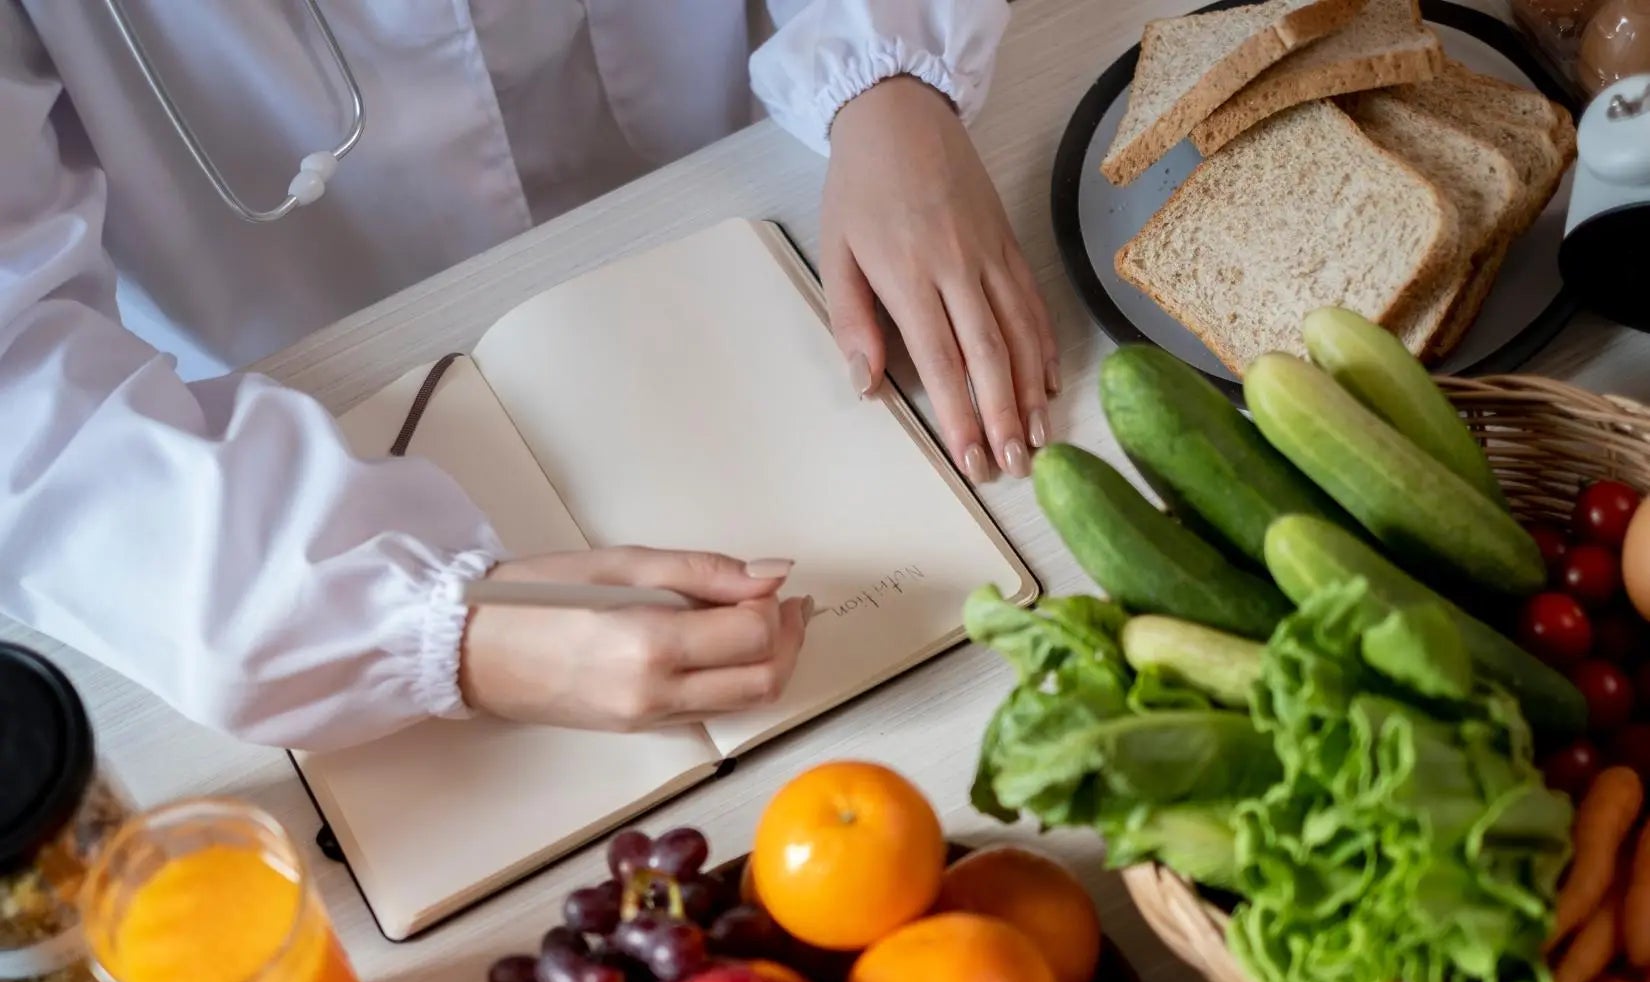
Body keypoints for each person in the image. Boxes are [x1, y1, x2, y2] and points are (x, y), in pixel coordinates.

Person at [0, 1, 1056, 753]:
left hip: (774, 171)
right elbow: (21, 397)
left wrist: (890, 70)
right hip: (300, 423)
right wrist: (410, 630)